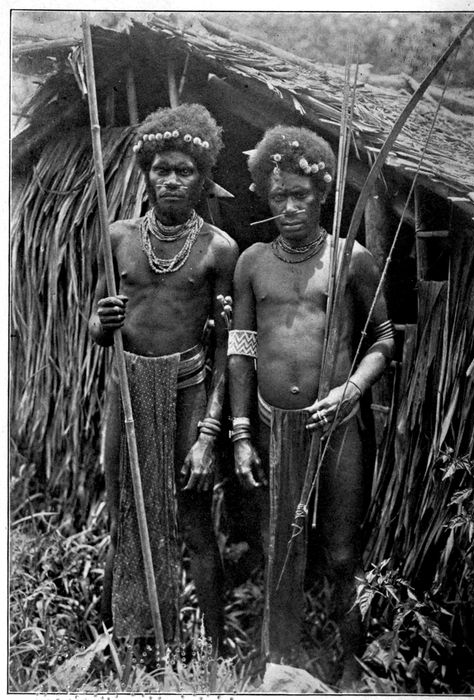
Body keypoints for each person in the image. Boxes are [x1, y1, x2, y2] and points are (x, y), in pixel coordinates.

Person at [227, 125, 395, 686]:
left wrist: (351, 391)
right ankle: (280, 669)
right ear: (265, 197)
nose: (291, 207)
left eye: (301, 195)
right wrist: (242, 433)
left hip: (337, 427)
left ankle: (352, 671)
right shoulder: (252, 262)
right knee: (279, 553)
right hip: (273, 428)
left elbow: (384, 338)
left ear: (322, 193)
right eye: (280, 196)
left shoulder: (352, 258)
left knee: (343, 555)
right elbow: (241, 349)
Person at [89, 103, 238, 651]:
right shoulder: (116, 237)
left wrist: (207, 435)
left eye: (185, 171)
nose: (172, 180)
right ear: (146, 174)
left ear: (203, 179)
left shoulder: (219, 249)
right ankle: (116, 643)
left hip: (187, 389)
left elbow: (225, 347)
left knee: (194, 522)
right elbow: (96, 324)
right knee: (124, 515)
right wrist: (102, 322)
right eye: (162, 170)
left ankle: (215, 653)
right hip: (126, 389)